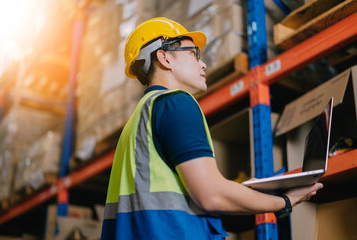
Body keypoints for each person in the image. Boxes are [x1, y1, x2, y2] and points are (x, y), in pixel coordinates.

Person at [101, 17, 323, 240]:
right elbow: (211, 195)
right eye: (193, 53)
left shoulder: (136, 123)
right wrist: (283, 201)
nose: (203, 63)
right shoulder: (176, 103)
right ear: (164, 57)